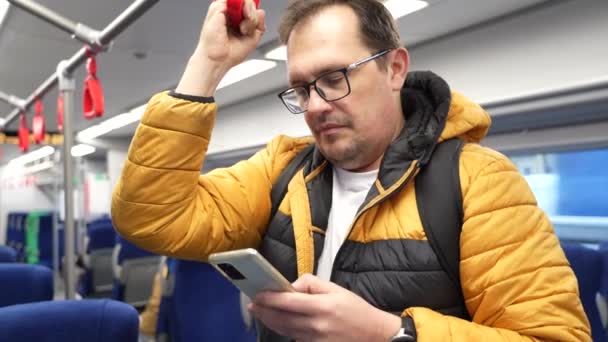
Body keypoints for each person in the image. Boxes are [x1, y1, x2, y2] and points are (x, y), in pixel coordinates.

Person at [111, 0, 591, 341]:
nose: (316, 105)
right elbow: (152, 219)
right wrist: (208, 65)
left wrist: (390, 333)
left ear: (395, 69)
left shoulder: (478, 181)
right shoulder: (284, 169)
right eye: (301, 89)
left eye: (334, 78)